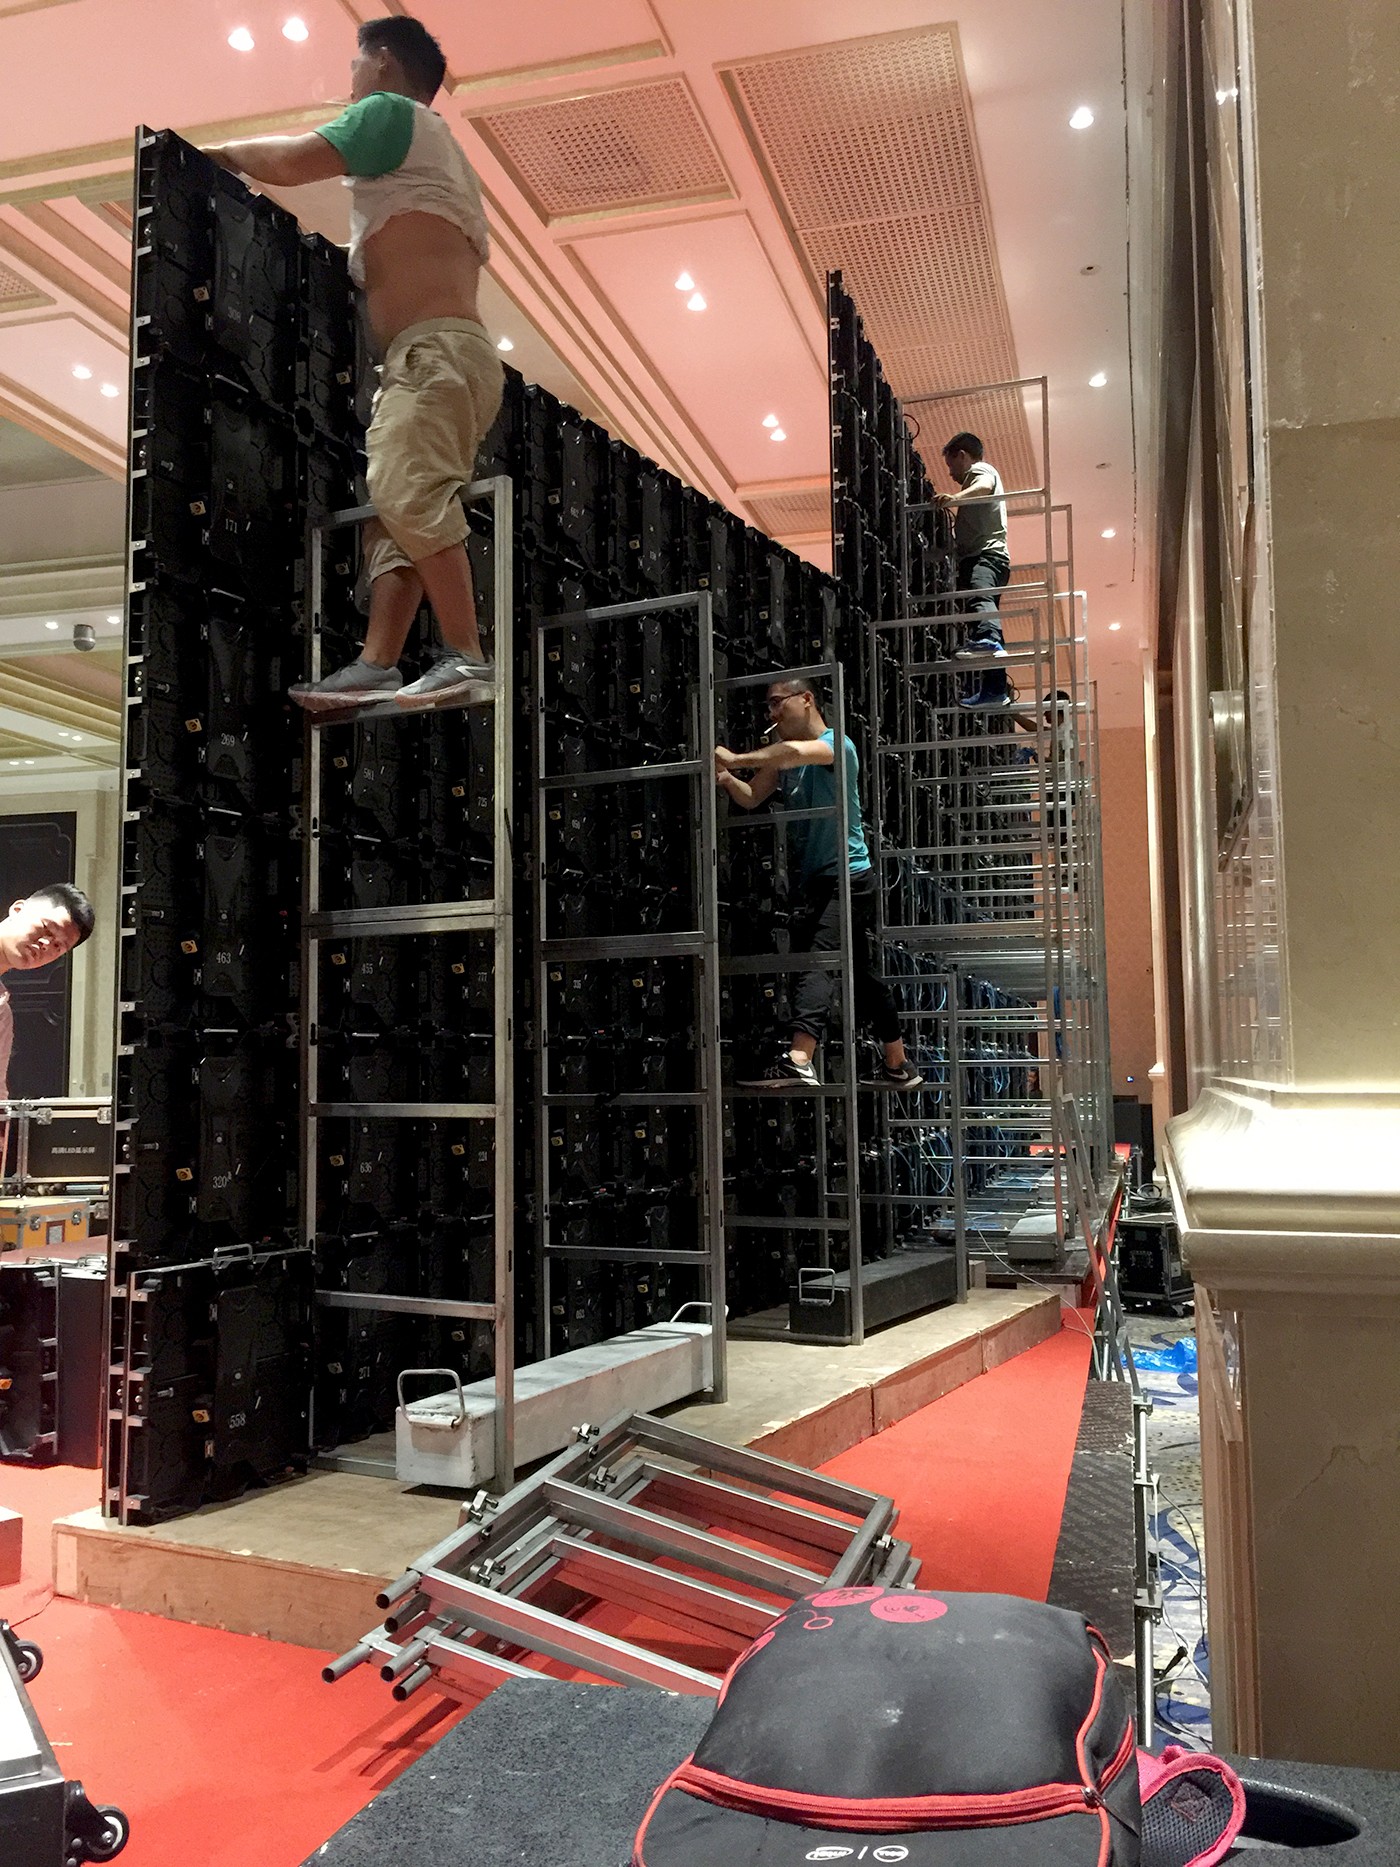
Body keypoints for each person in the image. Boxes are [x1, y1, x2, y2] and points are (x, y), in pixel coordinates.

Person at [206, 16, 502, 712]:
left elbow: (293, 160)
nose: (351, 79)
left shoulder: (391, 112)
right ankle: (377, 661)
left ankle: (467, 657)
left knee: (406, 492)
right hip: (441, 357)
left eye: (354, 64)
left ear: (383, 62)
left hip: (433, 352)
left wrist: (217, 155)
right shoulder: (438, 155)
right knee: (392, 516)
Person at [714, 680, 922, 1091]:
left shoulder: (836, 746)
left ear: (806, 699)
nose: (772, 713)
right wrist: (726, 778)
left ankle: (800, 1057)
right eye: (769, 707)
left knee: (819, 958)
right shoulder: (784, 756)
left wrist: (737, 758)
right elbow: (751, 797)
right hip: (821, 881)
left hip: (847, 876)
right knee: (859, 974)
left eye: (777, 703)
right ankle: (898, 1064)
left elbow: (792, 753)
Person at [0, 884, 96, 1108]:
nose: (45, 945)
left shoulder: (2, 1013)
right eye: (46, 928)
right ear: (17, 909)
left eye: (58, 946)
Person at [937, 432, 1011, 710]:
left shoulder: (980, 471)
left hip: (986, 557)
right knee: (984, 610)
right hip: (986, 557)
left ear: (962, 456)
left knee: (981, 599)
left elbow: (984, 486)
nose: (951, 474)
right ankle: (994, 689)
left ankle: (987, 640)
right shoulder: (975, 478)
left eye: (951, 466)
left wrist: (954, 498)